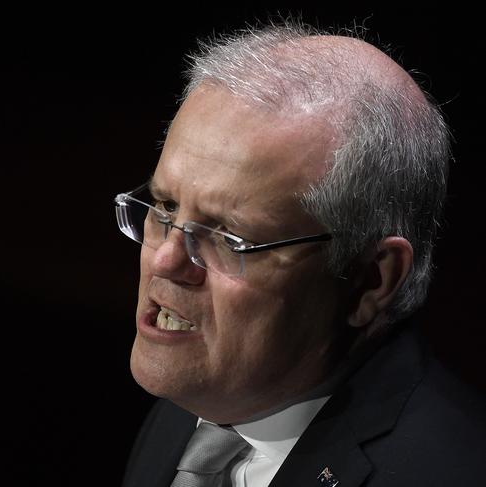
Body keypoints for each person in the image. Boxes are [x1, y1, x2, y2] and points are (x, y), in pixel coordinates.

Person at [115, 21, 486, 487]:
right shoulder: (203, 402)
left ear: (371, 279)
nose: (166, 261)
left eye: (229, 237)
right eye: (166, 207)